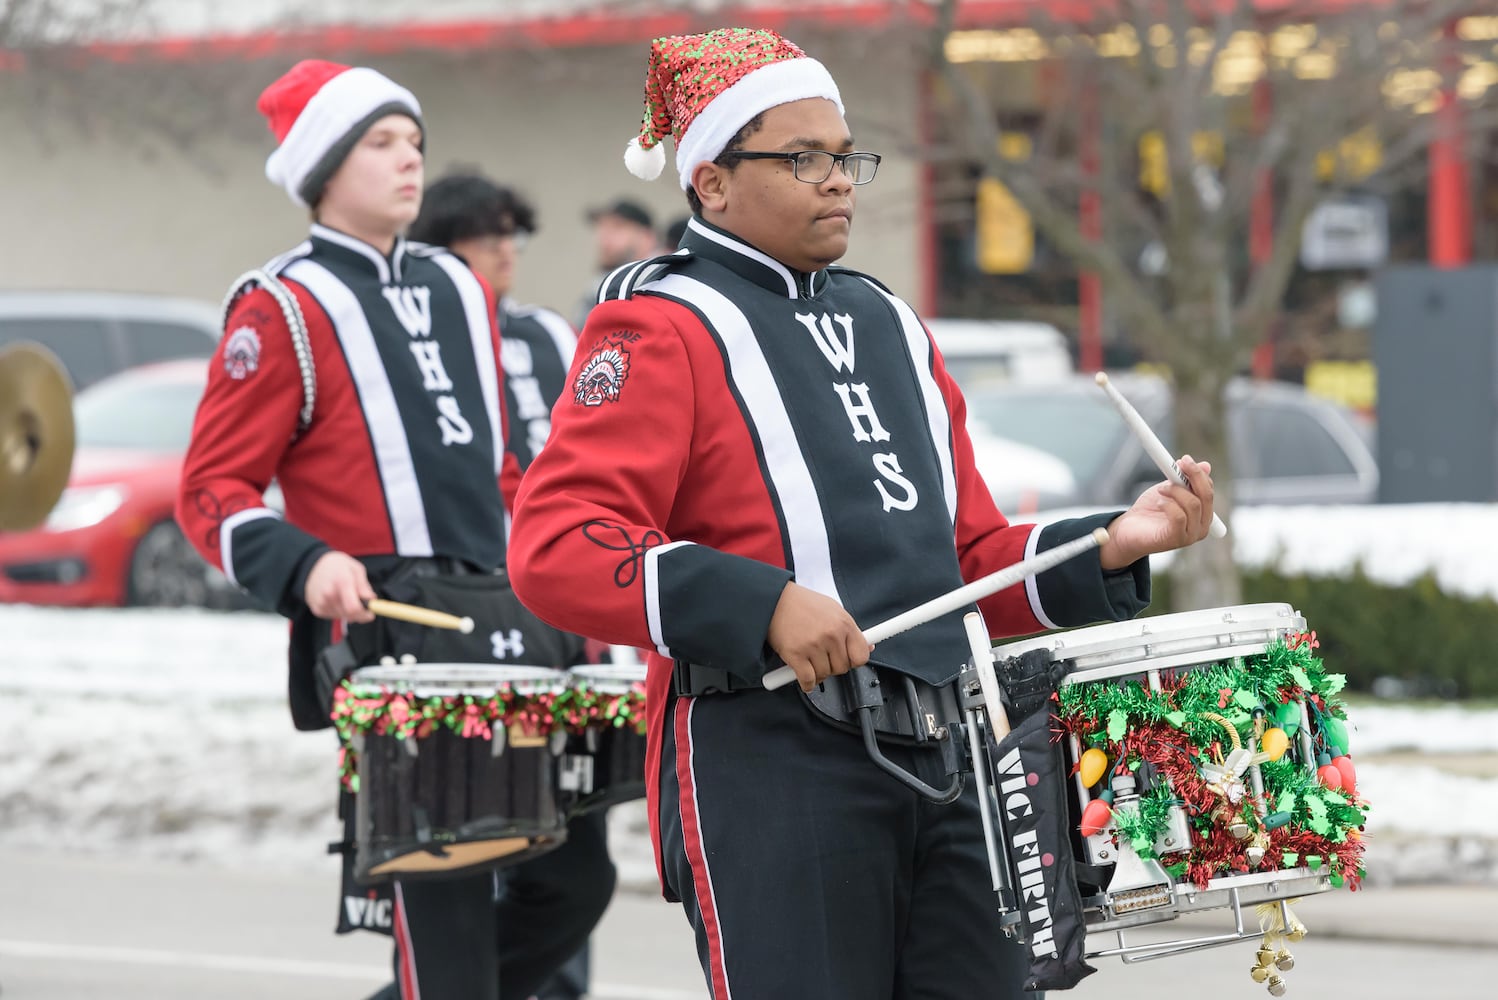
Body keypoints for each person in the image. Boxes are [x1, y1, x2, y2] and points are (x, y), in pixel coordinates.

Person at [507, 28, 1216, 1000]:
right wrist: (764, 604)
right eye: (803, 159)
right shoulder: (658, 323)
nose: (839, 179)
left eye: (846, 156)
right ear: (712, 182)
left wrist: (1109, 543)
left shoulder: (890, 322)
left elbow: (963, 562)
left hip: (950, 755)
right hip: (770, 759)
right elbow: (556, 545)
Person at [175, 60, 611, 1000]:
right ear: (324, 167)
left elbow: (502, 464)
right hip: (391, 637)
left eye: (414, 141)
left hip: (506, 618)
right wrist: (305, 564)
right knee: (445, 916)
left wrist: (561, 576)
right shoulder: (280, 305)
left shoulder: (459, 285)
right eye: (381, 142)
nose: (410, 159)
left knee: (575, 880)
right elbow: (210, 489)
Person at [405, 172, 609, 1000]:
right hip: (469, 608)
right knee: (468, 850)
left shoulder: (547, 334)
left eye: (511, 235)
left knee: (571, 849)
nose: (503, 252)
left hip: (560, 608)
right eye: (483, 236)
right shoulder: (427, 337)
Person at [575, 197, 663, 326]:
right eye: (602, 226)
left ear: (647, 238)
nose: (605, 236)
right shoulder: (597, 287)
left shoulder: (660, 286)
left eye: (617, 227)